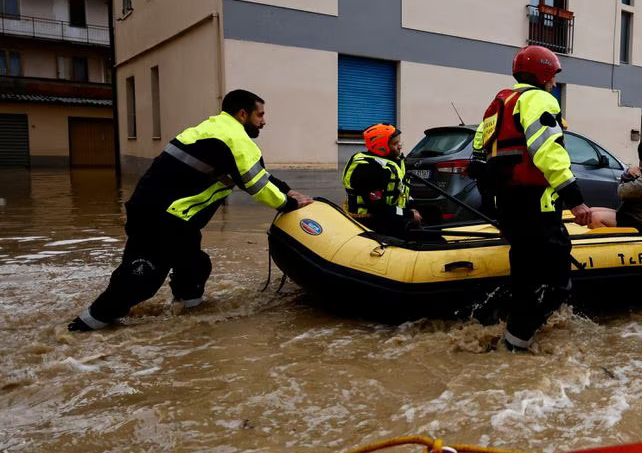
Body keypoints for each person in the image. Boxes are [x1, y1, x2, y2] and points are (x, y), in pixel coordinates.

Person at [68, 89, 313, 332]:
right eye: (259, 115)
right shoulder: (234, 139)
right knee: (142, 278)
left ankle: (187, 320)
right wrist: (289, 204)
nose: (264, 121)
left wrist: (287, 190)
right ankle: (84, 327)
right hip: (164, 217)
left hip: (166, 215)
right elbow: (257, 187)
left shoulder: (213, 129)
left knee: (195, 266)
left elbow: (260, 175)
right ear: (242, 114)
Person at [470, 44, 592, 352]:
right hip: (538, 207)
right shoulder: (539, 99)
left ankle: (509, 339)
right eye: (553, 77)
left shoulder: (498, 105)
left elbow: (478, 161)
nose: (554, 83)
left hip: (510, 207)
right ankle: (519, 339)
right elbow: (547, 152)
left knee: (524, 276)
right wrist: (575, 198)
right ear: (544, 73)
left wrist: (497, 210)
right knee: (557, 282)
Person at [342, 123, 423, 238]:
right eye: (395, 143)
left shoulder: (393, 161)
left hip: (389, 215)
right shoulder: (368, 168)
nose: (400, 146)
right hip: (370, 221)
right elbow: (377, 208)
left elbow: (402, 191)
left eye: (399, 142)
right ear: (381, 146)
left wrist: (412, 208)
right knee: (425, 237)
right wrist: (408, 214)